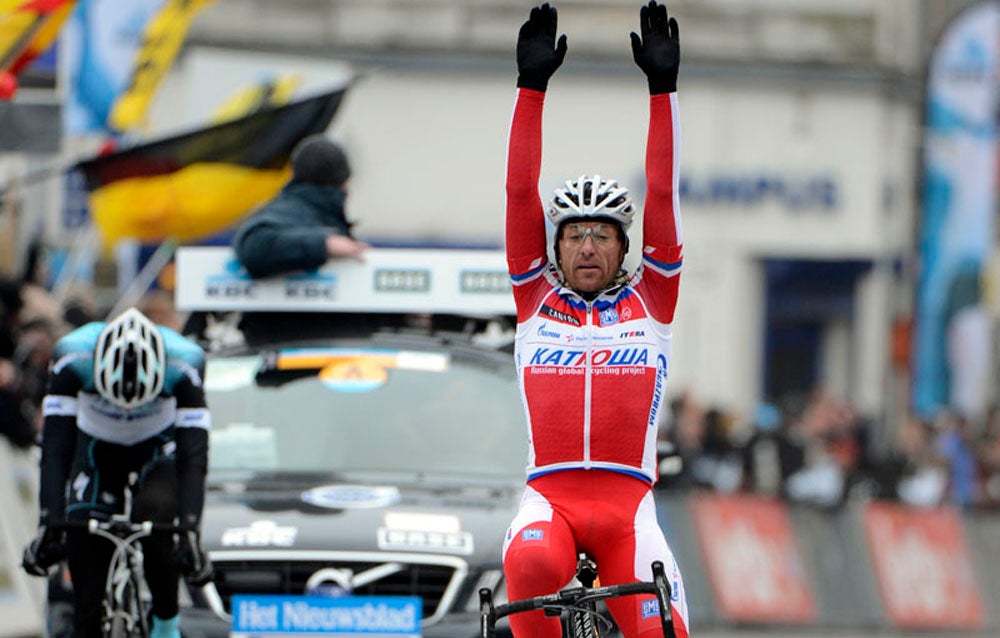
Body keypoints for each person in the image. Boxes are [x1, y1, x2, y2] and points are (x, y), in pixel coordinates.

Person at [501, 3, 689, 638]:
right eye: (574, 235)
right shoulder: (534, 300)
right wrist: (531, 89)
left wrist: (661, 91)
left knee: (665, 631)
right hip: (549, 501)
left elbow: (662, 194)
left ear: (623, 248)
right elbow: (519, 195)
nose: (586, 246)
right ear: (553, 249)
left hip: (627, 509)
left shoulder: (653, 301)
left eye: (601, 236)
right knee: (526, 563)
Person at [21, 307, 213, 638]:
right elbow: (56, 448)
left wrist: (190, 528)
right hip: (97, 450)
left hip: (158, 451)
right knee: (85, 577)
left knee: (157, 520)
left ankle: (165, 625)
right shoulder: (71, 355)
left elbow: (193, 457)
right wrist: (49, 521)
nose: (128, 411)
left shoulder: (186, 362)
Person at [233, 133, 367, 278]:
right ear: (344, 183)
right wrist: (324, 244)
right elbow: (254, 245)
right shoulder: (295, 211)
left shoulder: (306, 210)